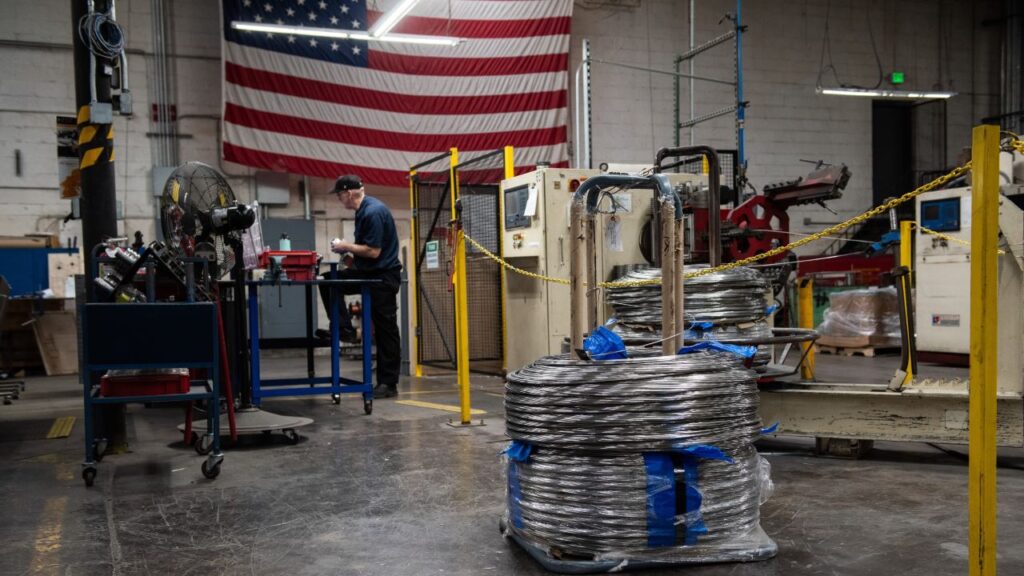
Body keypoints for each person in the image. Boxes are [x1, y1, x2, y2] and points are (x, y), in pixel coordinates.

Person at [316, 175, 402, 399]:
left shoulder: (373, 212)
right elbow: (367, 253)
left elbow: (374, 251)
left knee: (385, 329)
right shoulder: (362, 211)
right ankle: (345, 329)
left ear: (349, 193)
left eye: (339, 195)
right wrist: (350, 258)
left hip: (382, 278)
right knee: (328, 282)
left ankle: (388, 383)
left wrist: (346, 245)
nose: (339, 198)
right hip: (370, 272)